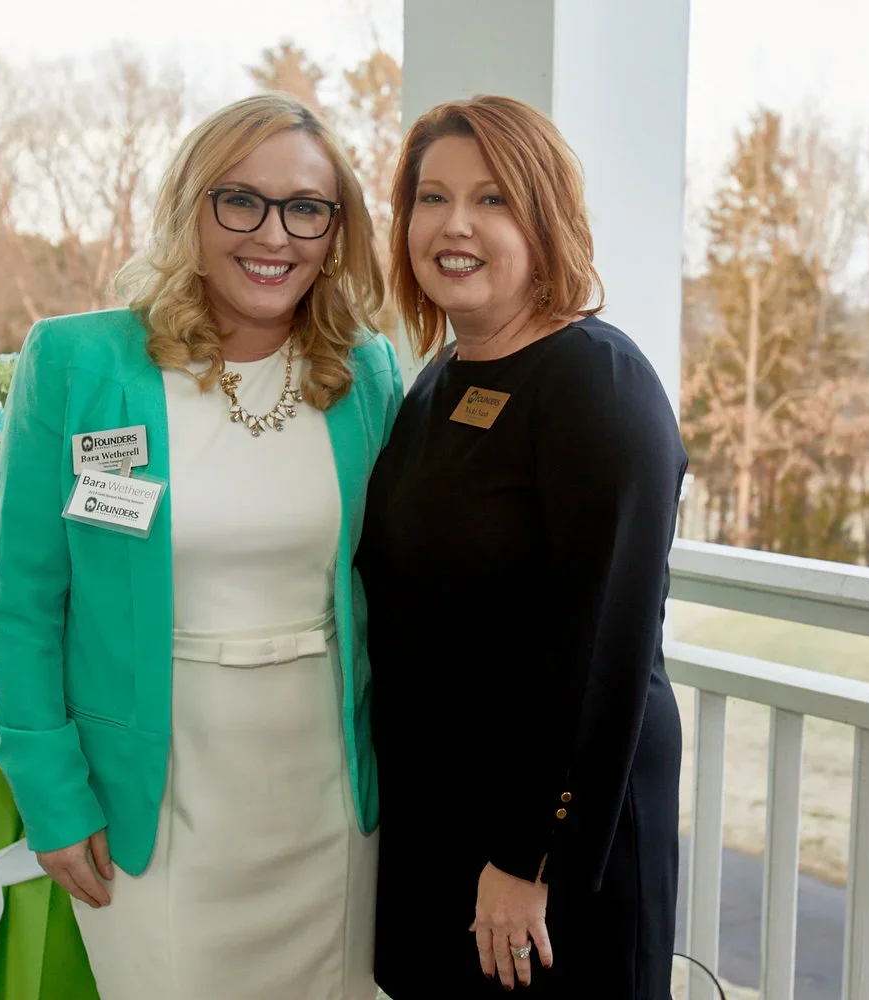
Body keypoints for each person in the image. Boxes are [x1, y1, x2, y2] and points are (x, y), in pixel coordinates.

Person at [0, 92, 402, 1000]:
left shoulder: (365, 372)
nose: (274, 235)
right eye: (239, 200)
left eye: (306, 209)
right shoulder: (80, 364)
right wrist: (51, 798)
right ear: (192, 210)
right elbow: (20, 607)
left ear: (336, 232)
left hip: (328, 798)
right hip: (151, 802)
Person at [357, 95, 687, 999]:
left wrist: (525, 856)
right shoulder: (439, 378)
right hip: (441, 810)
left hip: (549, 842)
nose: (454, 224)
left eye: (493, 199)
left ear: (546, 219)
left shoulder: (598, 384)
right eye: (432, 198)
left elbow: (601, 654)